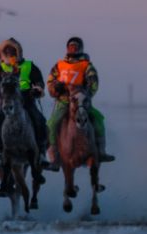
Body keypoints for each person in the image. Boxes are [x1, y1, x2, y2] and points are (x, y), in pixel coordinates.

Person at [45, 36, 115, 169]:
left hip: (81, 102)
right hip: (64, 102)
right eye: (71, 46)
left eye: (76, 46)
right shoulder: (59, 65)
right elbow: (50, 81)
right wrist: (55, 89)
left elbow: (93, 83)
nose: (73, 48)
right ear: (67, 48)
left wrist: (86, 94)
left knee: (98, 119)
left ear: (81, 48)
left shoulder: (87, 65)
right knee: (52, 123)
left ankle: (101, 151)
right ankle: (54, 158)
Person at [0, 38, 48, 171]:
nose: (11, 56)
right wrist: (2, 93)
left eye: (13, 52)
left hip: (27, 100)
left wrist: (37, 89)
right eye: (8, 53)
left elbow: (39, 81)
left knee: (39, 120)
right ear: (4, 54)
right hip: (9, 101)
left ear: (18, 52)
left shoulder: (28, 65)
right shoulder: (1, 68)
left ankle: (42, 153)